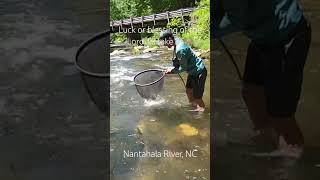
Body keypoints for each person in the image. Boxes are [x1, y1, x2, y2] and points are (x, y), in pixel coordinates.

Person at [213, 0, 312, 157]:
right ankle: (268, 141)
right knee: (251, 93)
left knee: (282, 117)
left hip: (287, 36)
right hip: (262, 36)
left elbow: (238, 19)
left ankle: (294, 163)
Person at [159, 30, 207, 112]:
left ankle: (201, 114)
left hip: (199, 72)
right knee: (189, 91)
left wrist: (172, 71)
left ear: (170, 38)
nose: (165, 45)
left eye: (165, 42)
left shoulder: (179, 49)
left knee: (198, 98)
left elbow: (183, 68)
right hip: (192, 71)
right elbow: (182, 62)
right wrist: (172, 68)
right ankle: (194, 107)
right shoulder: (177, 41)